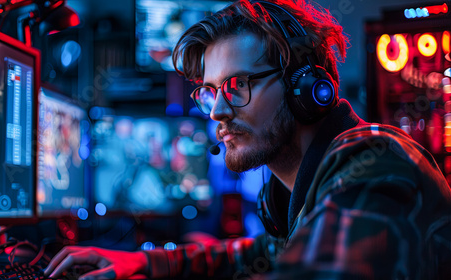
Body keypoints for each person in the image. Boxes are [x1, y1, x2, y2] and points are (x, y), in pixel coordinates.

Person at [44, 0, 451, 279]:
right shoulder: (300, 198)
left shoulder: (373, 159)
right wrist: (141, 263)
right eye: (209, 91)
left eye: (236, 85)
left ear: (305, 86)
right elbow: (257, 254)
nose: (218, 112)